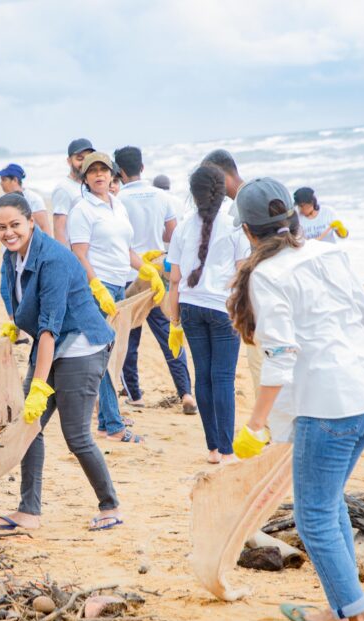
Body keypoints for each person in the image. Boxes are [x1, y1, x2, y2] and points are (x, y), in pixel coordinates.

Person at [227, 177, 364, 621]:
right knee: (327, 502)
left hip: (330, 406)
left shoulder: (266, 274)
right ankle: (341, 609)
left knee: (314, 515)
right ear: (294, 220)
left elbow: (280, 355)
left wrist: (255, 424)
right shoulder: (327, 253)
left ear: (247, 231)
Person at [0, 193, 122, 532]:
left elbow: (49, 328)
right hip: (52, 347)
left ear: (31, 222)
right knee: (28, 430)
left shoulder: (54, 259)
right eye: (1, 227)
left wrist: (38, 388)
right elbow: (19, 303)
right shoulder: (11, 257)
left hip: (81, 347)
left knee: (76, 435)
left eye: (15, 224)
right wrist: (14, 325)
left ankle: (110, 506)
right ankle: (28, 512)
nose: (8, 232)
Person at [67, 152, 164, 444]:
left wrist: (146, 268)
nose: (99, 175)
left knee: (114, 354)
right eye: (92, 171)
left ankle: (106, 419)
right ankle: (112, 425)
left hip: (120, 287)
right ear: (85, 178)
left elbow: (127, 250)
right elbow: (79, 255)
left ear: (113, 175)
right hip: (99, 289)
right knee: (105, 356)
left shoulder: (118, 206)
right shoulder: (83, 210)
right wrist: (95, 286)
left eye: (103, 170)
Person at [166, 163, 249, 463]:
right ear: (223, 190)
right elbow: (242, 276)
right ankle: (227, 451)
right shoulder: (235, 225)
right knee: (223, 377)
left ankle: (213, 448)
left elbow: (174, 278)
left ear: (194, 193)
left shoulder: (184, 226)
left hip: (189, 307)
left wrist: (174, 319)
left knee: (204, 375)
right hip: (222, 308)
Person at [113, 146, 194, 414]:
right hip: (157, 272)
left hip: (129, 273)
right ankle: (185, 393)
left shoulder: (117, 200)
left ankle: (135, 394)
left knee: (129, 338)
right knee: (168, 334)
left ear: (119, 171)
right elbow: (172, 235)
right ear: (142, 168)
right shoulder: (162, 197)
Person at [203, 148, 263, 396]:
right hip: (271, 289)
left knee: (261, 363)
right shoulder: (260, 191)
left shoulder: (242, 204)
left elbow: (248, 257)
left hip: (260, 293)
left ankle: (271, 428)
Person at [51, 138, 93, 245]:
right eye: (80, 158)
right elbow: (59, 229)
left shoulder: (91, 185)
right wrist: (64, 258)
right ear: (69, 161)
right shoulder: (64, 188)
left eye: (88, 158)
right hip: (74, 252)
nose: (84, 163)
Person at [0, 163, 51, 236]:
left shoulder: (33, 199)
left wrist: (46, 247)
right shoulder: (4, 201)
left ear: (15, 180)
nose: (1, 183)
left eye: (4, 180)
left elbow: (44, 226)